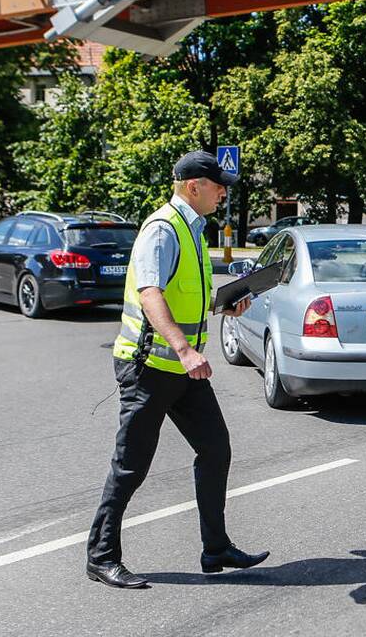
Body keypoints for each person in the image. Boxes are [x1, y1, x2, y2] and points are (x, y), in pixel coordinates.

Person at [86, 150, 269, 589]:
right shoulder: (163, 229)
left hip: (181, 370)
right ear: (194, 186)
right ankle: (101, 556)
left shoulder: (192, 230)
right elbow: (151, 295)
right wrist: (186, 350)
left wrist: (224, 304)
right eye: (218, 185)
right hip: (150, 366)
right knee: (130, 466)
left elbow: (185, 295)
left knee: (216, 449)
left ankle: (215, 547)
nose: (223, 192)